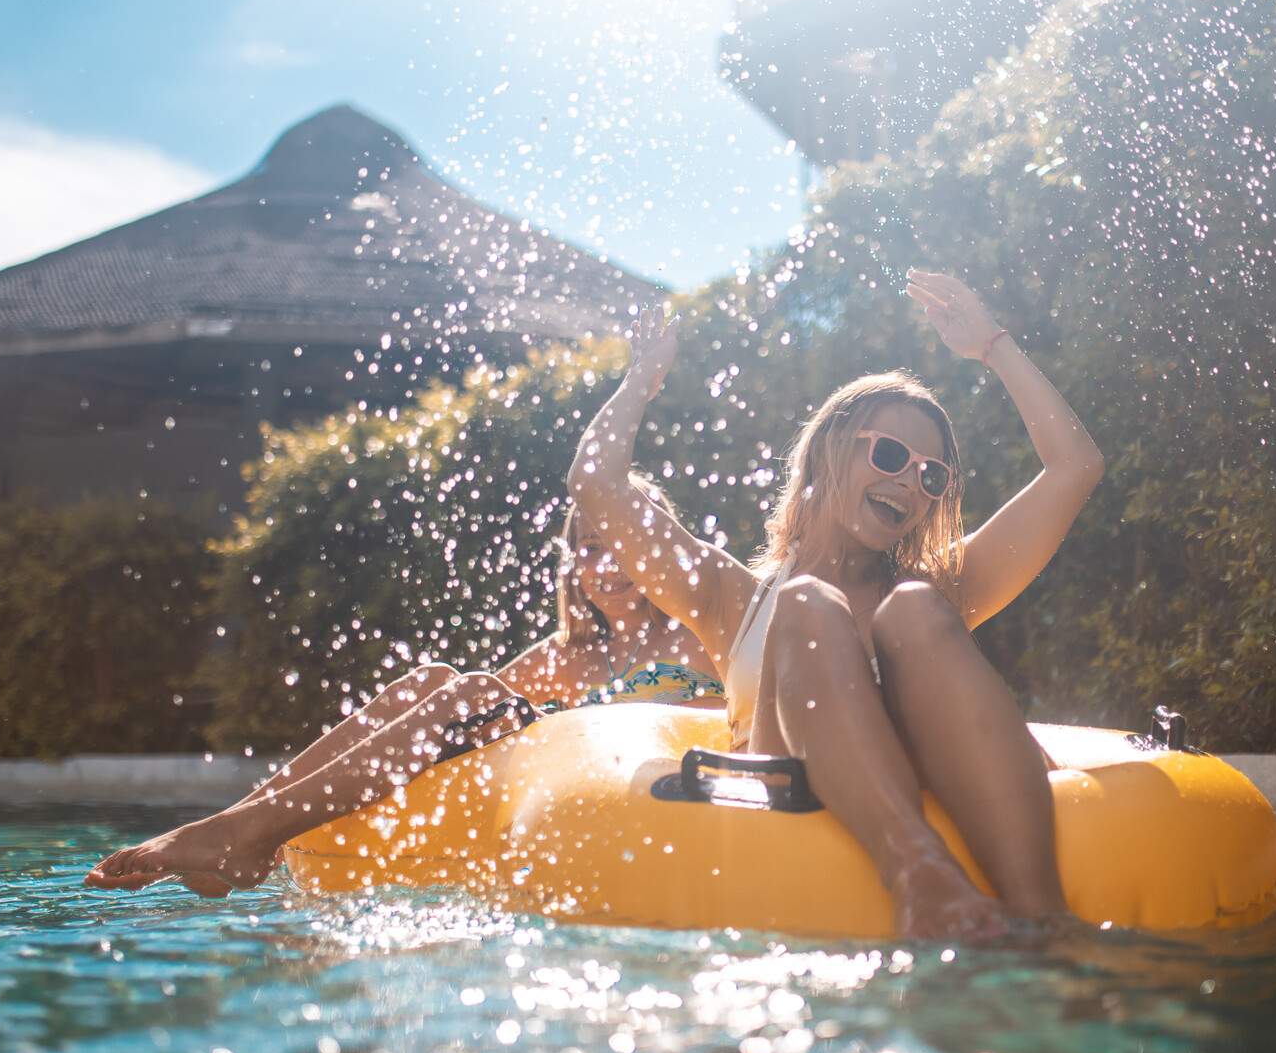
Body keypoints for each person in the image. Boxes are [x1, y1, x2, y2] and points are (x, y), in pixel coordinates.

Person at [565, 270, 1104, 938]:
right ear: (828, 454)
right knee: (809, 605)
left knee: (911, 609)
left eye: (930, 476)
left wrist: (994, 346)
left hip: (930, 761)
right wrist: (641, 379)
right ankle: (919, 874)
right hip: (780, 803)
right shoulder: (731, 596)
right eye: (888, 454)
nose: (909, 481)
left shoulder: (938, 591)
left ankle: (1042, 924)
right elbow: (595, 481)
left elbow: (1075, 467)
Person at [84, 474, 722, 895]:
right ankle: (239, 827)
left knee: (469, 690)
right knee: (439, 680)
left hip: (644, 793)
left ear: (660, 545)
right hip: (573, 784)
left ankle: (240, 838)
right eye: (588, 549)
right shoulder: (568, 655)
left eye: (624, 542)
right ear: (571, 564)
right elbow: (450, 712)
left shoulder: (701, 632)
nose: (607, 566)